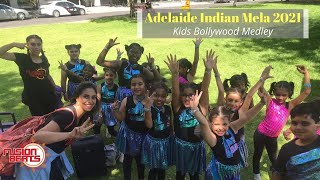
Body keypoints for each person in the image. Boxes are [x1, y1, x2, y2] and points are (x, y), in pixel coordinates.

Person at [15, 82, 99, 180]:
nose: (90, 101)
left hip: (47, 156)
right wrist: (69, 134)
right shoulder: (67, 115)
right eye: (86, 96)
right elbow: (37, 136)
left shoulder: (80, 115)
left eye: (93, 97)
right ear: (77, 98)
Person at [189, 88, 268, 180]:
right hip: (218, 175)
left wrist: (262, 103)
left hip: (233, 174)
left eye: (224, 124)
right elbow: (203, 123)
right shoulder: (212, 138)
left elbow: (247, 117)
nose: (221, 128)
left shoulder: (231, 128)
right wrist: (195, 109)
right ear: (210, 123)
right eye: (216, 124)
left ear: (229, 122)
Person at [252, 65, 311, 180]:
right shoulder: (270, 101)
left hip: (273, 137)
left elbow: (307, 92)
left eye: (284, 95)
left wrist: (306, 74)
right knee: (257, 154)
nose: (280, 97)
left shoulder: (291, 105)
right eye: (278, 94)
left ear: (289, 94)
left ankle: (277, 172)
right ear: (274, 92)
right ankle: (256, 174)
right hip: (260, 133)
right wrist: (264, 74)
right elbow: (260, 89)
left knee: (274, 158)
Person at [165, 50, 214, 180]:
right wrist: (175, 74)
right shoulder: (178, 107)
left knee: (194, 175)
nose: (187, 98)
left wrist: (208, 71)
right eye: (184, 95)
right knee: (180, 174)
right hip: (180, 146)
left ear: (196, 96)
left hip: (196, 148)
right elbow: (175, 91)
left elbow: (204, 89)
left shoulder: (201, 108)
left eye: (191, 95)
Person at [0, 34, 58, 116]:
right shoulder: (22, 58)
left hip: (48, 95)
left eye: (39, 44)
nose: (36, 47)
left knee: (51, 118)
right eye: (33, 44)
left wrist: (55, 87)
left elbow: (47, 75)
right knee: (39, 121)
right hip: (33, 98)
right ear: (27, 45)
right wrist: (14, 44)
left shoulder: (43, 59)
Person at [213, 60, 257, 168]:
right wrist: (214, 69)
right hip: (223, 135)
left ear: (241, 101)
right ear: (226, 99)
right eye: (230, 100)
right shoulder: (222, 107)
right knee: (224, 152)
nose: (233, 103)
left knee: (237, 150)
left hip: (237, 134)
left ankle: (240, 160)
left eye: (236, 101)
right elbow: (220, 90)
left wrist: (261, 80)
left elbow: (250, 95)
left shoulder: (241, 108)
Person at [112, 74, 150, 180]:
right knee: (127, 159)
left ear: (145, 85)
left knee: (140, 161)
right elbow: (121, 117)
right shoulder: (126, 100)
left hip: (143, 135)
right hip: (129, 135)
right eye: (133, 84)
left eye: (140, 84)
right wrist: (115, 110)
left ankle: (141, 177)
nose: (136, 87)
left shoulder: (149, 101)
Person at [272, 101, 320, 180]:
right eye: (294, 123)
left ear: (317, 126)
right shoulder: (287, 150)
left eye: (305, 123)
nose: (298, 127)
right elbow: (277, 173)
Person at [96, 37, 154, 102]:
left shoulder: (141, 68)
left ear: (141, 54)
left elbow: (151, 76)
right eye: (132, 52)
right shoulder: (121, 63)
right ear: (127, 52)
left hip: (136, 95)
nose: (134, 54)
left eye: (137, 53)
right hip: (122, 94)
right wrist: (107, 47)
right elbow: (100, 62)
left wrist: (152, 66)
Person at [141, 82, 173, 180]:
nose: (159, 99)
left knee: (163, 168)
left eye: (163, 96)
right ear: (151, 95)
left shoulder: (167, 108)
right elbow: (149, 125)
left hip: (166, 143)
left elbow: (170, 123)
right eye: (156, 96)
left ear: (166, 97)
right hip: (154, 144)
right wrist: (147, 108)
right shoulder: (150, 109)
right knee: (154, 169)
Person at [97, 67, 119, 138]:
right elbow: (98, 100)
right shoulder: (100, 86)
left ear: (115, 76)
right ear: (104, 76)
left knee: (111, 130)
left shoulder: (116, 88)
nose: (109, 77)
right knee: (97, 126)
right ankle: (96, 140)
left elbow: (116, 100)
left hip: (111, 108)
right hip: (101, 107)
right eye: (107, 75)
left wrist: (114, 108)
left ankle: (119, 137)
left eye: (111, 75)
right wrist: (100, 114)